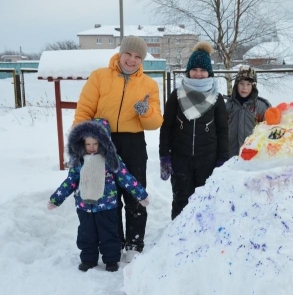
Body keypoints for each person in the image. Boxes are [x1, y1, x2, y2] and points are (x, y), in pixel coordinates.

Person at [73, 35, 163, 262]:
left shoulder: (149, 85)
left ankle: (134, 242)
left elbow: (155, 122)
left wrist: (145, 112)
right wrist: (80, 143)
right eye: (128, 54)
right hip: (102, 141)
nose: (132, 60)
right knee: (108, 196)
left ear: (142, 59)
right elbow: (84, 111)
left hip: (133, 143)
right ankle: (114, 239)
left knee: (134, 194)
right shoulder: (100, 77)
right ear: (120, 53)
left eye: (137, 57)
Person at [47, 118, 149, 272]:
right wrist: (56, 199)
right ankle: (88, 259)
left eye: (95, 144)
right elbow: (70, 182)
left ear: (103, 142)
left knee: (109, 233)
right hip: (84, 206)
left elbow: (125, 177)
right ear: (82, 143)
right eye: (88, 144)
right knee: (86, 234)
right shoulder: (78, 161)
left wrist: (141, 194)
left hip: (106, 205)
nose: (92, 148)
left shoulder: (111, 159)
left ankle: (111, 260)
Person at [159, 41, 229, 220]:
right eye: (195, 69)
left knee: (205, 201)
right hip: (180, 158)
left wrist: (223, 160)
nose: (198, 74)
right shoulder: (176, 95)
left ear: (209, 73)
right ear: (188, 71)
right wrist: (164, 156)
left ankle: (201, 240)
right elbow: (166, 127)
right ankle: (176, 239)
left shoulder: (216, 98)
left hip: (208, 159)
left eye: (203, 70)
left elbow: (222, 130)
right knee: (181, 199)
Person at [225, 65, 271, 157]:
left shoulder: (262, 107)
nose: (244, 88)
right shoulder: (229, 106)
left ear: (253, 86)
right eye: (241, 83)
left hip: (254, 157)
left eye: (248, 84)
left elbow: (269, 133)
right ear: (236, 84)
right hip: (231, 156)